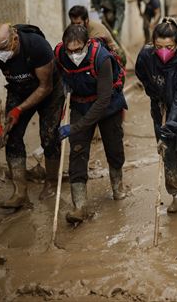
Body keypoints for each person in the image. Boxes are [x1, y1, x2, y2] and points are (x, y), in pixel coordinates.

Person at [0, 24, 64, 208]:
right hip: (18, 90)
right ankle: (20, 192)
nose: (0, 54)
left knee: (49, 136)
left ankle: (51, 183)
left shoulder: (37, 46)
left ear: (15, 39)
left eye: (3, 49)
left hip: (49, 91)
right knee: (11, 137)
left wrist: (19, 110)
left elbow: (45, 87)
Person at [54, 24, 127, 224]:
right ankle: (80, 206)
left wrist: (75, 127)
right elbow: (59, 76)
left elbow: (103, 101)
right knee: (77, 150)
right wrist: (65, 84)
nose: (73, 55)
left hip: (107, 106)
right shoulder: (60, 54)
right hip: (79, 104)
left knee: (114, 148)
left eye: (78, 50)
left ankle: (118, 187)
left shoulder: (101, 58)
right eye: (70, 51)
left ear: (87, 44)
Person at [135, 18, 177, 213]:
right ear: (153, 43)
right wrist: (155, 94)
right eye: (158, 46)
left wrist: (167, 131)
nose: (163, 51)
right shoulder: (146, 55)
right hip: (161, 107)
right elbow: (142, 74)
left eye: (168, 46)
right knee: (168, 153)